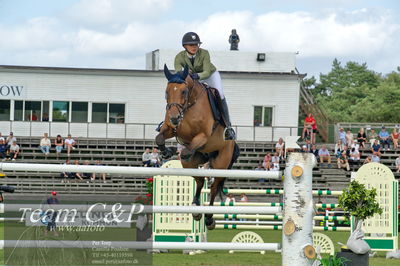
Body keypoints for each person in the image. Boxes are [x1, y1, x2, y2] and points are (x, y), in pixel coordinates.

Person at [175, 32, 235, 140]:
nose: (194, 47)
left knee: (220, 94)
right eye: (191, 45)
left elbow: (207, 72)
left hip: (210, 75)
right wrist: (185, 75)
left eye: (196, 44)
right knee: (178, 93)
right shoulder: (179, 57)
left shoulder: (204, 53)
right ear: (185, 46)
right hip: (191, 79)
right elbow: (179, 74)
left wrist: (196, 75)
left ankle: (228, 127)